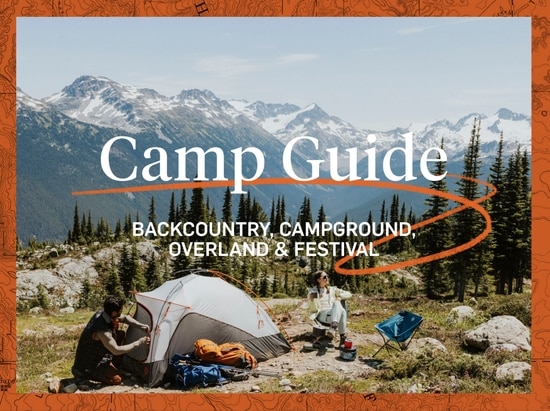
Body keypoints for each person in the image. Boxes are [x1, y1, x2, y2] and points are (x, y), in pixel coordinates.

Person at [72, 295, 151, 385]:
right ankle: (85, 375)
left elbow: (124, 318)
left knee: (120, 334)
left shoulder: (105, 313)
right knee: (117, 380)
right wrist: (139, 343)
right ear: (114, 313)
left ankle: (113, 366)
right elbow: (116, 350)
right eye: (120, 310)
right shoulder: (102, 331)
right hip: (91, 363)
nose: (121, 312)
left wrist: (141, 326)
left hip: (100, 352)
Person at [307, 270, 352, 346]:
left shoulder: (332, 289)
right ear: (318, 280)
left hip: (333, 314)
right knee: (342, 311)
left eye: (327, 276)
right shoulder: (313, 292)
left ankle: (333, 327)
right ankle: (342, 338)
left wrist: (340, 297)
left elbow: (349, 293)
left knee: (337, 304)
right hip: (322, 315)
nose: (327, 278)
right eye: (324, 277)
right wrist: (312, 300)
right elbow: (313, 309)